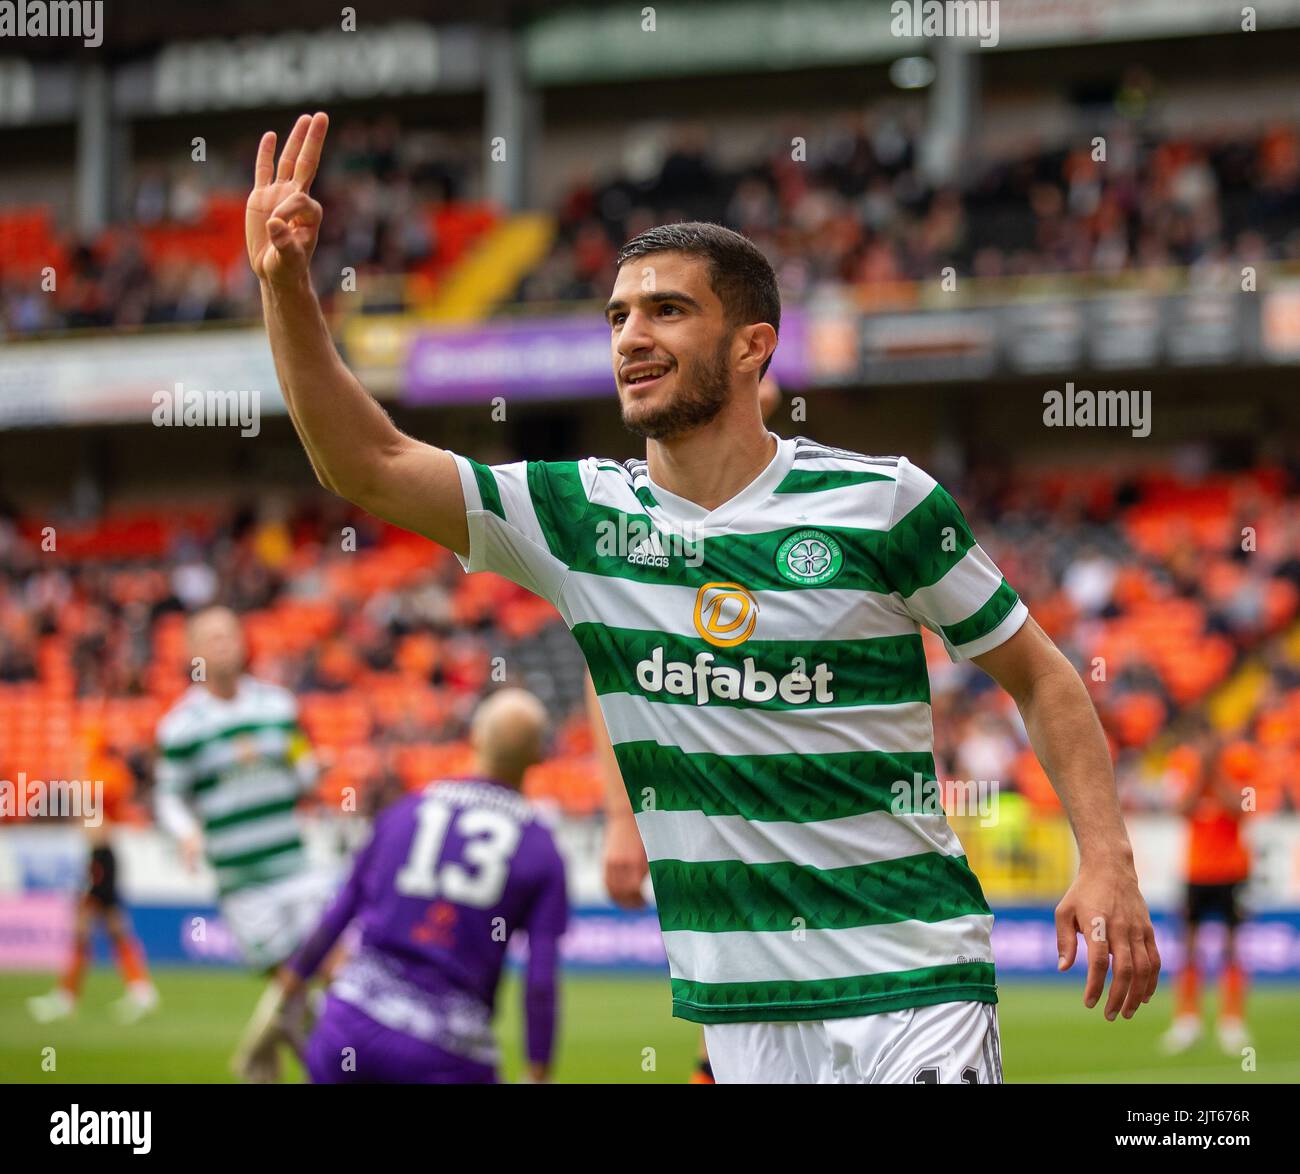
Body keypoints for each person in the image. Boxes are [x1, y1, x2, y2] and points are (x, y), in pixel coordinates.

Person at [246, 112, 1159, 1084]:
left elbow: (1042, 675)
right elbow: (368, 463)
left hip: (912, 978)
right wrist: (285, 287)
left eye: (667, 311)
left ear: (750, 346)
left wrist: (1105, 857)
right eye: (618, 316)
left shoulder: (882, 502)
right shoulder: (577, 519)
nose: (631, 335)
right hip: (738, 1013)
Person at [238, 689, 568, 1083]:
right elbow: (541, 979)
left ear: (476, 736)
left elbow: (341, 910)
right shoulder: (540, 847)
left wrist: (288, 988)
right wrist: (538, 1069)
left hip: (350, 1027)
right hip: (446, 1050)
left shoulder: (405, 811)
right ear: (540, 755)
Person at [154, 605, 336, 1078]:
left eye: (230, 634)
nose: (224, 644)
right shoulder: (181, 727)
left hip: (296, 866)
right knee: (294, 984)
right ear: (193, 651)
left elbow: (298, 768)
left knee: (333, 973)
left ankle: (274, 1063)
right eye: (211, 637)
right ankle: (317, 1066)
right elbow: (168, 797)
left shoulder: (279, 707)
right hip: (242, 880)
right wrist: (186, 831)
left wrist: (314, 770)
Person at [27, 727, 159, 1025]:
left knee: (84, 927)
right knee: (114, 928)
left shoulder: (98, 779)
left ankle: (67, 996)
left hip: (100, 861)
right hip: (99, 859)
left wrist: (77, 775)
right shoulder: (96, 779)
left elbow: (93, 806)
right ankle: (140, 989)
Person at [1161, 732, 1252, 1055]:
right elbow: (1182, 808)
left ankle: (1231, 1021)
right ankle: (1187, 1021)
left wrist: (1216, 771)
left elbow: (1240, 809)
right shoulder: (1185, 766)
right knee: (1188, 947)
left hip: (1232, 871)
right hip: (1196, 871)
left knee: (1231, 949)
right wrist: (1202, 772)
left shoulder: (1240, 765)